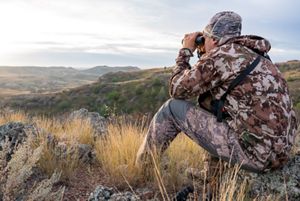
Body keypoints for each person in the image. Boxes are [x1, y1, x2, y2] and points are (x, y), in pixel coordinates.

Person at [136, 11, 298, 174]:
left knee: (171, 109)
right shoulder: (260, 57)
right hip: (280, 155)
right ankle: (212, 178)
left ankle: (141, 169)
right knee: (213, 105)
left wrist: (185, 51)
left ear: (213, 40)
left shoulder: (223, 55)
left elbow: (176, 89)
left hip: (255, 156)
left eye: (205, 38)